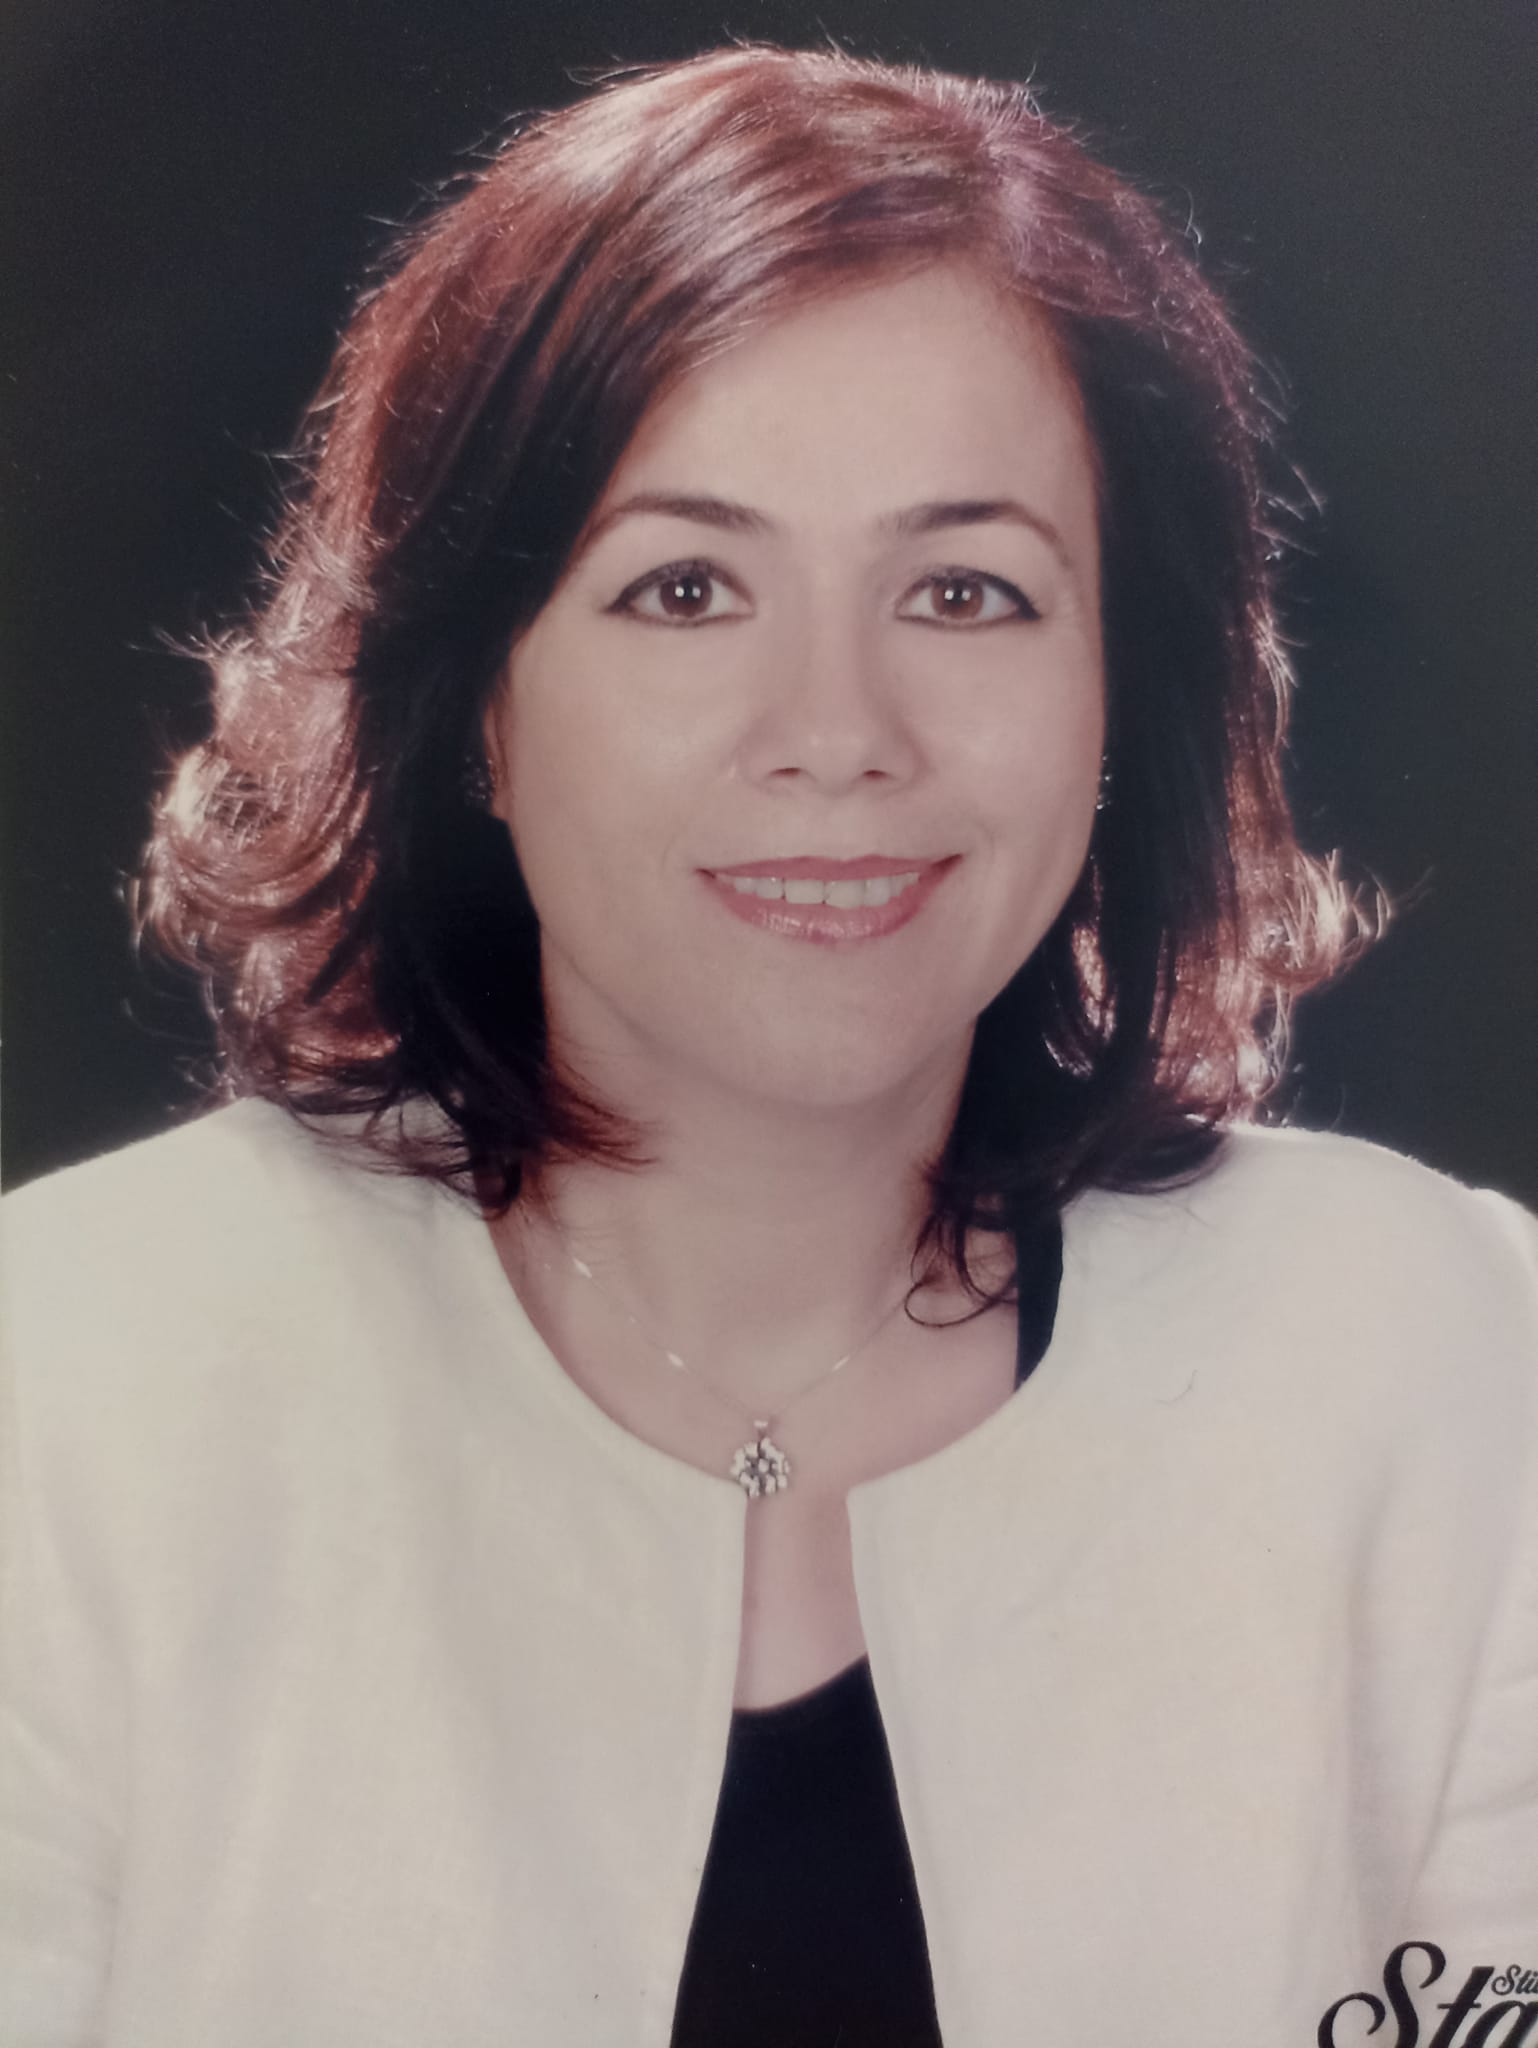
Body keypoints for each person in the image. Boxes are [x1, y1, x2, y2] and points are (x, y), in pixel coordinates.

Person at [2, 42, 1534, 2048]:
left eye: (965, 589)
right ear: (477, 706)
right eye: (685, 586)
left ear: (1119, 691)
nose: (836, 731)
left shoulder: (1443, 1360)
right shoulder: (69, 1384)